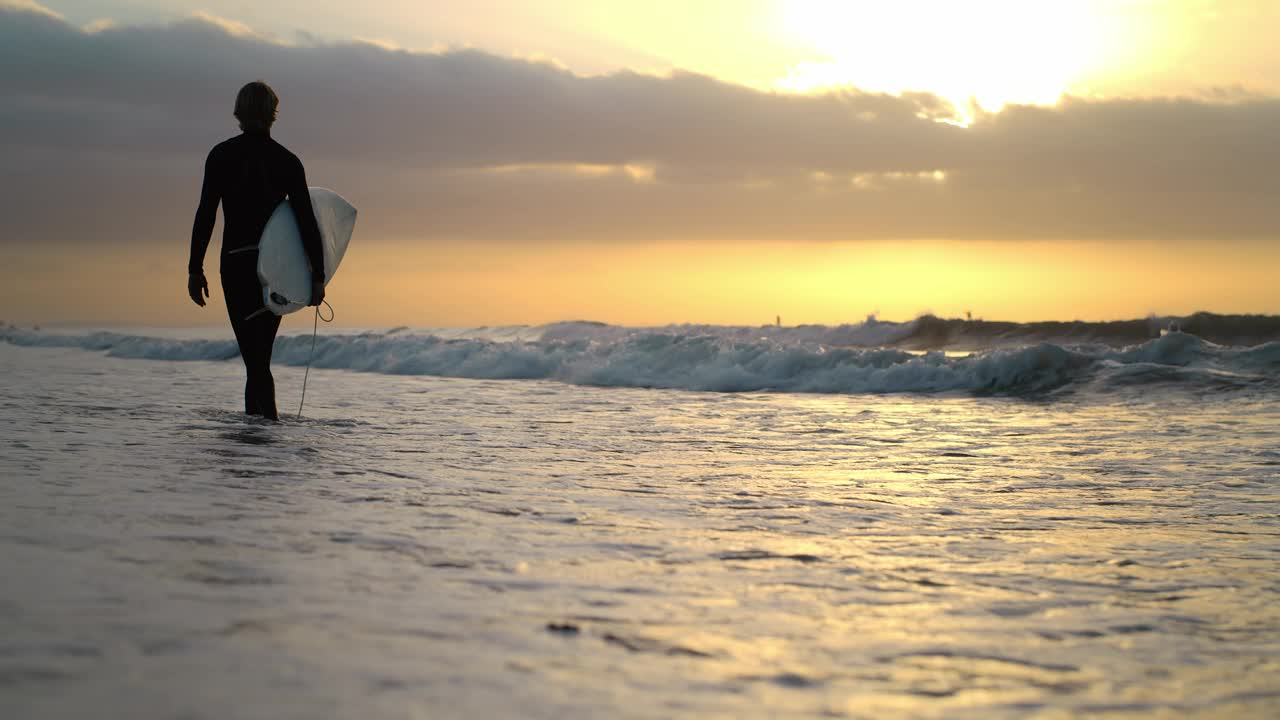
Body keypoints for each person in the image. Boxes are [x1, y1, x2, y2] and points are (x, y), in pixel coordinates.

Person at [188, 81, 325, 420]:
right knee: (259, 357)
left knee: (256, 359)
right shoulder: (287, 161)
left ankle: (261, 438)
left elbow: (206, 213)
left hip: (235, 265)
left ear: (239, 111)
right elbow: (308, 222)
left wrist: (195, 268)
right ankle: (263, 439)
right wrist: (317, 275)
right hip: (274, 268)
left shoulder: (221, 155)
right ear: (272, 113)